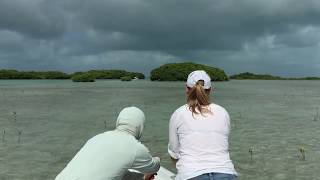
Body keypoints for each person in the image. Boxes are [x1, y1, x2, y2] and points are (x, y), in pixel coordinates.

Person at [56, 107, 160, 180]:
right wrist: (157, 159)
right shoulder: (135, 147)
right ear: (140, 127)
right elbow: (154, 167)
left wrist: (140, 178)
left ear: (119, 121)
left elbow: (106, 171)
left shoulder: (96, 138)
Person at [168, 70, 237, 180]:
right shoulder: (223, 112)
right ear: (210, 90)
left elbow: (174, 153)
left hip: (190, 175)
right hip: (226, 172)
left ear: (186, 89)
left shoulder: (178, 114)